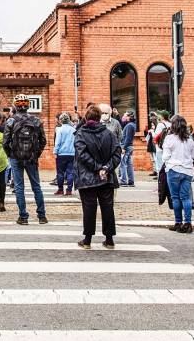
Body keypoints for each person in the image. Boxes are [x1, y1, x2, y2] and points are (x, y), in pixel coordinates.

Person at [74, 104, 121, 249]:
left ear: (86, 117)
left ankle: (87, 240)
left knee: (89, 209)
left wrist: (97, 167)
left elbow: (82, 155)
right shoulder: (109, 134)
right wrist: (106, 168)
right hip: (106, 178)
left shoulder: (81, 134)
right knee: (108, 208)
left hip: (87, 178)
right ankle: (109, 240)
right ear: (100, 117)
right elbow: (117, 153)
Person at [3, 94, 48, 225]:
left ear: (15, 106)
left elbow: (5, 142)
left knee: (19, 187)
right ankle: (42, 216)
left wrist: (10, 154)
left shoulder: (11, 121)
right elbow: (43, 141)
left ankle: (23, 217)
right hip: (31, 158)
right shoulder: (36, 120)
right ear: (28, 106)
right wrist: (36, 154)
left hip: (15, 158)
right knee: (36, 186)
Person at [163, 115, 194, 233]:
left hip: (174, 169)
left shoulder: (169, 139)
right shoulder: (190, 140)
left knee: (175, 198)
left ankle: (178, 222)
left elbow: (165, 157)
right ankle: (188, 223)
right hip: (187, 171)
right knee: (186, 197)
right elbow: (193, 156)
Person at [53, 112, 76, 196]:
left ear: (60, 121)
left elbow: (57, 142)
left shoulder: (59, 130)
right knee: (70, 172)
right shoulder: (73, 130)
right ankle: (69, 190)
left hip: (61, 154)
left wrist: (55, 152)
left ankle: (60, 189)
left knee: (60, 172)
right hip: (72, 153)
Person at [118, 111, 137, 187]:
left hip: (126, 147)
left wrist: (124, 147)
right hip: (130, 147)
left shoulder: (129, 125)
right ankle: (131, 181)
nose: (124, 116)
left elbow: (128, 138)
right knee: (129, 164)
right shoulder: (132, 124)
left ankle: (123, 181)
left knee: (122, 164)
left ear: (129, 117)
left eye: (125, 115)